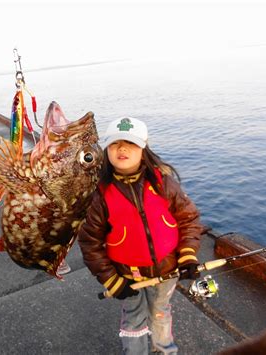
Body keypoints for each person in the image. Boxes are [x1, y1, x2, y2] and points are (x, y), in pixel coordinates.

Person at [78, 117, 203, 354]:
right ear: (106, 151)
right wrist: (111, 280)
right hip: (127, 274)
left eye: (130, 143)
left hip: (167, 270)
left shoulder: (164, 182)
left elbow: (189, 219)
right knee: (134, 318)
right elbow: (90, 243)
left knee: (160, 311)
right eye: (115, 144)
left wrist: (187, 256)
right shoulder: (99, 195)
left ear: (144, 146)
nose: (122, 149)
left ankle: (165, 350)